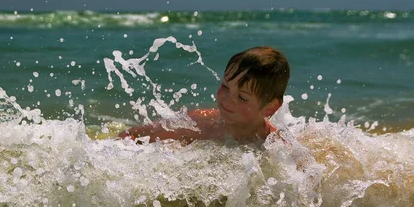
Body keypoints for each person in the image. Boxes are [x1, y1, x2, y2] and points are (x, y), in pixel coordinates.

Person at [120, 46, 290, 145]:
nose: (228, 99)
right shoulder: (198, 123)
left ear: (270, 107)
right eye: (225, 86)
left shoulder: (276, 146)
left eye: (242, 98)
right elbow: (129, 135)